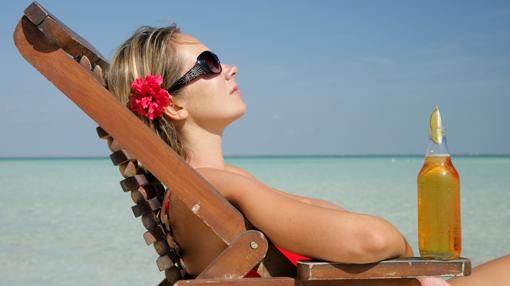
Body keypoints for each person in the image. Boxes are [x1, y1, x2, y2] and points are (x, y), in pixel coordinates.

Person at [106, 24, 509, 286]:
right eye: (208, 65)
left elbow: (333, 214)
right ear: (173, 106)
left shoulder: (223, 181)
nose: (231, 68)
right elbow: (372, 237)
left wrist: (407, 263)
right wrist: (407, 259)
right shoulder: (212, 188)